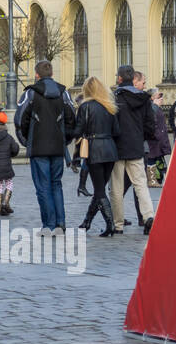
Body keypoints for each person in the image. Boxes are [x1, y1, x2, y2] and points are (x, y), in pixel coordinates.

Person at [16, 59, 77, 233]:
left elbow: (20, 120)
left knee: (43, 187)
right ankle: (60, 223)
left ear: (37, 75)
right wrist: (65, 139)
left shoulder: (30, 93)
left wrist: (27, 141)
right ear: (51, 74)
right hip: (58, 147)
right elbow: (72, 117)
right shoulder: (63, 93)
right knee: (56, 184)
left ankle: (48, 225)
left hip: (38, 147)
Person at [110, 65, 157, 235]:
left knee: (116, 187)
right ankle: (149, 216)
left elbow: (110, 123)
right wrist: (141, 136)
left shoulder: (114, 97)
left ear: (120, 79)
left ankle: (118, 224)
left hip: (117, 148)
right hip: (136, 146)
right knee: (141, 185)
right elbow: (150, 124)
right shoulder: (144, 98)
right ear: (132, 78)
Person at [74, 76, 120, 237]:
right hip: (110, 150)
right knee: (100, 189)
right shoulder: (109, 106)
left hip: (94, 150)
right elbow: (116, 131)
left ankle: (110, 225)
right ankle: (86, 222)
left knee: (100, 192)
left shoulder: (85, 106)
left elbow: (77, 131)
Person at [145, 89, 172, 186]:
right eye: (158, 96)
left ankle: (158, 178)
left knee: (158, 159)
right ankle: (152, 180)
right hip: (154, 140)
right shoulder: (152, 108)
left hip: (159, 139)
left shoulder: (157, 107)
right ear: (152, 98)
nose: (161, 98)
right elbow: (152, 123)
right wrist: (157, 135)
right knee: (152, 158)